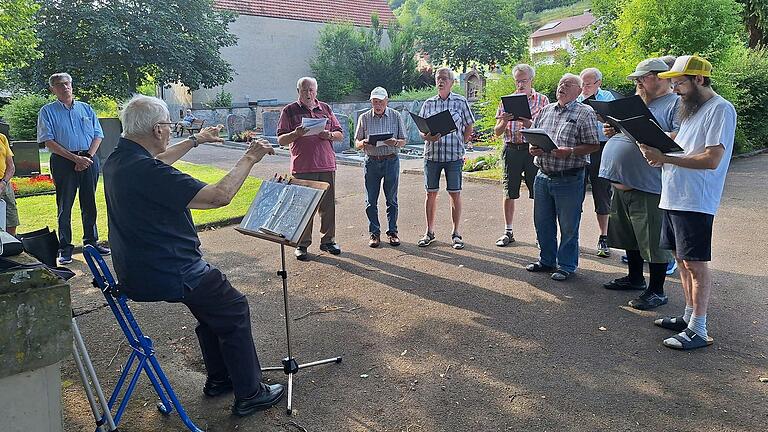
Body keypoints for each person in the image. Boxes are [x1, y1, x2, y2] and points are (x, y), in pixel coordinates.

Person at [103, 94, 284, 416]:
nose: (170, 132)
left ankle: (220, 379)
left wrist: (195, 140)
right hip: (169, 270)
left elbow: (158, 162)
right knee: (233, 307)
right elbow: (219, 197)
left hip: (139, 268)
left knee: (212, 310)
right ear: (159, 129)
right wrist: (250, 157)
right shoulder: (146, 170)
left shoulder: (120, 159)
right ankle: (250, 392)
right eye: (169, 127)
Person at [638, 55, 736, 350]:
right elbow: (679, 139)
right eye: (673, 82)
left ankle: (699, 329)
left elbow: (712, 158)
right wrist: (643, 135)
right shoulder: (691, 109)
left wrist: (664, 158)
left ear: (700, 80)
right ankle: (688, 316)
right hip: (674, 195)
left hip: (695, 198)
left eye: (679, 82)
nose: (675, 88)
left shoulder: (720, 109)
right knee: (681, 260)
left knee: (695, 263)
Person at [599, 58, 680, 310]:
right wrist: (613, 130)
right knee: (630, 237)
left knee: (652, 239)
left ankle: (656, 290)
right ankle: (634, 278)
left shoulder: (675, 104)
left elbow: (681, 136)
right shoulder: (639, 103)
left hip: (648, 185)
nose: (638, 83)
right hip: (622, 183)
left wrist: (645, 133)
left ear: (660, 77)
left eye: (642, 78)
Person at [525, 73, 599, 281]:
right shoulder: (545, 111)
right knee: (542, 222)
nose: (562, 87)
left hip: (569, 177)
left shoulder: (585, 112)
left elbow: (593, 145)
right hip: (543, 175)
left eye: (568, 84)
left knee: (568, 225)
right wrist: (534, 148)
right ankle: (547, 260)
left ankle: (566, 265)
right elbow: (535, 136)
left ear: (578, 90)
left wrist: (572, 151)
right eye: (560, 83)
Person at [37, 72, 109, 265]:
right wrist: (75, 158)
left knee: (89, 202)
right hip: (63, 161)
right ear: (53, 89)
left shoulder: (86, 108)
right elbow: (48, 141)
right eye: (60, 84)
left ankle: (91, 242)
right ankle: (65, 247)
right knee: (65, 205)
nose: (65, 87)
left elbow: (98, 134)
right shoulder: (47, 111)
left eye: (67, 83)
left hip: (89, 159)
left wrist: (86, 158)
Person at [277, 77, 344, 261]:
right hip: (302, 166)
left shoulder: (325, 109)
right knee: (303, 206)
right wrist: (295, 134)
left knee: (328, 206)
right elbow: (281, 140)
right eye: (305, 90)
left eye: (311, 90)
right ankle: (302, 244)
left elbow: (339, 134)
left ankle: (328, 241)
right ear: (298, 91)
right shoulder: (289, 111)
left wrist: (328, 134)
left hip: (326, 164)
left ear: (316, 91)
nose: (308, 94)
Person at [417, 67, 475, 250]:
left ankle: (456, 233)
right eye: (437, 78)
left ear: (451, 82)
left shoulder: (460, 101)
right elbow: (422, 130)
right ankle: (429, 232)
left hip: (453, 156)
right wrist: (427, 137)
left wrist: (461, 144)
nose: (440, 81)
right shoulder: (428, 103)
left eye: (444, 78)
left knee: (455, 193)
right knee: (430, 193)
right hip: (432, 156)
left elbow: (468, 126)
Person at [492, 64, 549, 247]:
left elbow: (546, 130)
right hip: (511, 149)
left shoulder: (542, 100)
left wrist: (528, 123)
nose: (520, 84)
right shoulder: (506, 101)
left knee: (539, 194)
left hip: (532, 151)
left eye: (523, 81)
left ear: (532, 80)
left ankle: (541, 235)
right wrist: (504, 121)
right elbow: (497, 132)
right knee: (509, 192)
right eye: (517, 81)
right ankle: (508, 231)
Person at [354, 86, 407, 248]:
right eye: (375, 102)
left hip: (391, 159)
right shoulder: (364, 118)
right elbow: (356, 143)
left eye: (381, 102)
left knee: (391, 199)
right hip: (372, 161)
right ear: (371, 102)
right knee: (371, 200)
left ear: (387, 101)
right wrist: (364, 142)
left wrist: (395, 142)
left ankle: (392, 232)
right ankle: (374, 233)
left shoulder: (396, 116)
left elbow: (403, 140)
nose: (378, 105)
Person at [576, 67, 615, 257]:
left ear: (598, 83)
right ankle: (572, 237)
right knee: (575, 193)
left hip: (601, 149)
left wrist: (601, 116)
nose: (584, 87)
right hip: (580, 148)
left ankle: (604, 237)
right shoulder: (575, 97)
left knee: (602, 193)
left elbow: (615, 122)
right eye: (582, 83)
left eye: (588, 84)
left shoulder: (607, 97)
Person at [0, 132, 19, 235]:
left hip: (4, 184)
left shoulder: (2, 138)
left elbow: (11, 166)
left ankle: (10, 247)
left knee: (11, 221)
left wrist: (3, 183)